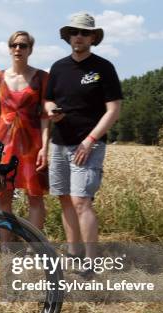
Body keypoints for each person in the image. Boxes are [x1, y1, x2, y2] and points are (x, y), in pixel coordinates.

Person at [45, 13, 122, 272]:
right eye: (74, 32)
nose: (78, 36)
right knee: (65, 199)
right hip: (59, 142)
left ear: (93, 37)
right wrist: (52, 109)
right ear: (68, 36)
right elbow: (47, 100)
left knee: (82, 201)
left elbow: (113, 110)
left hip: (88, 144)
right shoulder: (57, 68)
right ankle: (73, 252)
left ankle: (91, 260)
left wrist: (90, 140)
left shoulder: (103, 68)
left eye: (84, 33)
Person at [0, 31, 50, 231]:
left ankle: (35, 248)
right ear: (9, 48)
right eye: (14, 45)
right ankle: (7, 249)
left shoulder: (42, 78)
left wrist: (45, 148)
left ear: (30, 49)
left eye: (23, 45)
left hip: (32, 146)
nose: (18, 49)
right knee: (3, 195)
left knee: (35, 197)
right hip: (3, 146)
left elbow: (45, 116)